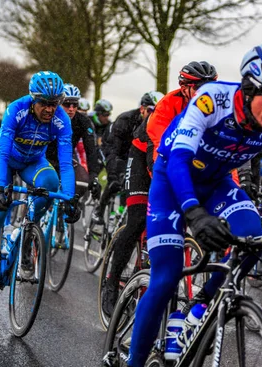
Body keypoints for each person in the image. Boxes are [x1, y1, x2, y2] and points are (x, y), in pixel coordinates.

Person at [120, 43, 262, 367]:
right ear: (249, 88)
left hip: (218, 183)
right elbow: (178, 159)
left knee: (252, 236)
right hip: (172, 178)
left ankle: (200, 307)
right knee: (166, 276)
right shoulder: (211, 101)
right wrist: (194, 213)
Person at [101, 62, 218, 317]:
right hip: (146, 155)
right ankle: (111, 282)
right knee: (137, 219)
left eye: (210, 86)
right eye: (199, 87)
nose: (205, 92)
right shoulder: (168, 105)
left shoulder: (216, 107)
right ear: (184, 88)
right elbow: (159, 152)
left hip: (181, 160)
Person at [0, 71, 80, 307]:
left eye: (55, 103)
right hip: (6, 161)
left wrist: (70, 198)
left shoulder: (62, 120)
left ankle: (29, 229)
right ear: (33, 99)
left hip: (33, 162)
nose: (50, 109)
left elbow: (65, 163)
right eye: (45, 103)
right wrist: (0, 188)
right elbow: (0, 152)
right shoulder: (16, 110)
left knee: (52, 183)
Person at [91, 91, 164, 225]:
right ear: (142, 109)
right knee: (116, 180)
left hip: (136, 154)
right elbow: (113, 151)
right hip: (117, 150)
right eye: (151, 110)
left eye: (158, 111)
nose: (154, 115)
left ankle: (124, 213)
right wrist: (113, 175)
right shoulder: (125, 120)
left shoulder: (159, 123)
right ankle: (99, 210)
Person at [46, 83, 101, 198]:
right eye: (67, 104)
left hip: (66, 159)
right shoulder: (48, 116)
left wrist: (94, 176)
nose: (71, 108)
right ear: (58, 103)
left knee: (83, 183)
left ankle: (64, 211)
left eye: (75, 104)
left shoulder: (83, 121)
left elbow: (91, 150)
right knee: (40, 188)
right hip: (44, 157)